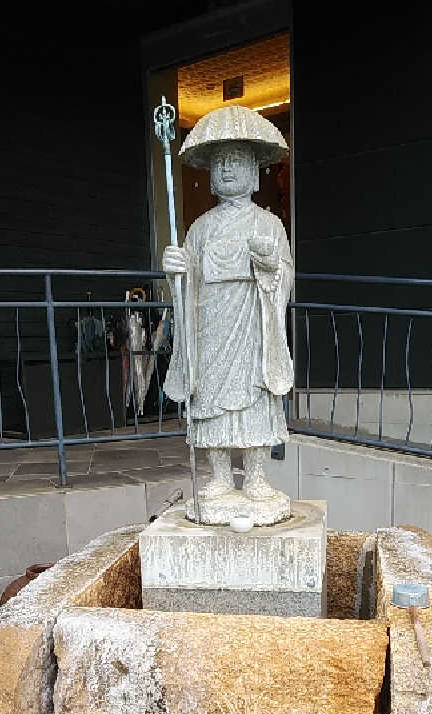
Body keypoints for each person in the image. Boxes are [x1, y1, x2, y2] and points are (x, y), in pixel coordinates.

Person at [162, 105, 294, 522]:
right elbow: (187, 284)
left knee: (254, 394)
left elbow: (284, 276)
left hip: (253, 321)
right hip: (211, 324)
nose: (228, 171)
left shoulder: (268, 224)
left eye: (237, 162)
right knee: (212, 398)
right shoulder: (200, 228)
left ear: (255, 173)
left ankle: (255, 476)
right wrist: (176, 272)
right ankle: (219, 475)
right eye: (221, 163)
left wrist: (271, 266)